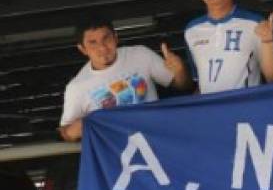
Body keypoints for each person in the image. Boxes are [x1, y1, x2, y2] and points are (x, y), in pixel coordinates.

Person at [59, 17, 189, 141]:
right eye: (93, 43)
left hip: (156, 139)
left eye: (106, 38)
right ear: (82, 49)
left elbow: (183, 86)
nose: (102, 48)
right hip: (115, 156)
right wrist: (73, 131)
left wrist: (180, 70)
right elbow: (66, 132)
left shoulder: (140, 54)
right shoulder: (77, 87)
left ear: (116, 37)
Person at [185, 0, 273, 93]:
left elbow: (272, 76)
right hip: (211, 110)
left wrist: (268, 40)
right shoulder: (191, 30)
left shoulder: (255, 24)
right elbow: (198, 81)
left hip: (244, 108)